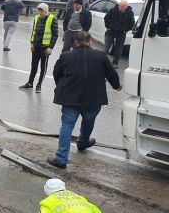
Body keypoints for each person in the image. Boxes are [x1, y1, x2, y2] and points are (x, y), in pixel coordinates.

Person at [47, 32, 121, 169]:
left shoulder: (66, 56)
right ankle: (82, 143)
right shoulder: (100, 56)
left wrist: (62, 86)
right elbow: (111, 74)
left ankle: (61, 158)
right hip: (93, 98)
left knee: (67, 126)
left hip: (70, 98)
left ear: (76, 42)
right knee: (88, 122)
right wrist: (116, 86)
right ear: (90, 42)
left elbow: (56, 73)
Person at [20, 3, 59, 93]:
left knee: (43, 67)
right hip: (36, 46)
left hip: (45, 47)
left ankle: (39, 85)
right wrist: (32, 43)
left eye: (41, 10)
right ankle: (30, 83)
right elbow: (34, 30)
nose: (39, 12)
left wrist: (50, 47)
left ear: (45, 10)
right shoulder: (37, 17)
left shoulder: (53, 19)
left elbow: (55, 35)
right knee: (33, 65)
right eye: (38, 10)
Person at [104, 0, 135, 67]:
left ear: (126, 7)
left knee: (119, 48)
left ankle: (115, 62)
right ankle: (103, 60)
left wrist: (126, 30)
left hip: (121, 32)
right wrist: (108, 27)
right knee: (106, 47)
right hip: (111, 30)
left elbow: (132, 23)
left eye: (123, 6)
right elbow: (106, 18)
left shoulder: (130, 13)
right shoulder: (113, 10)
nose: (121, 7)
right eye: (120, 6)